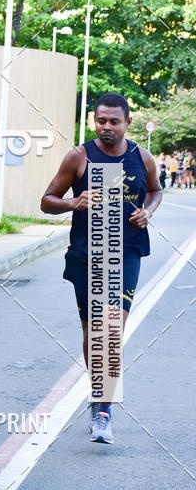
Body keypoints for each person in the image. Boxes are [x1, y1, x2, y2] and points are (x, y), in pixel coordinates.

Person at [41, 92, 162, 445]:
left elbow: (155, 191)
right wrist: (72, 202)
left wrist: (148, 212)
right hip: (87, 255)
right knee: (94, 334)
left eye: (114, 121)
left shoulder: (143, 157)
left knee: (110, 331)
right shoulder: (79, 157)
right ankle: (99, 395)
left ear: (128, 122)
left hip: (126, 253)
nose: (106, 127)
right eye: (101, 121)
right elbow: (47, 201)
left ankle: (104, 408)